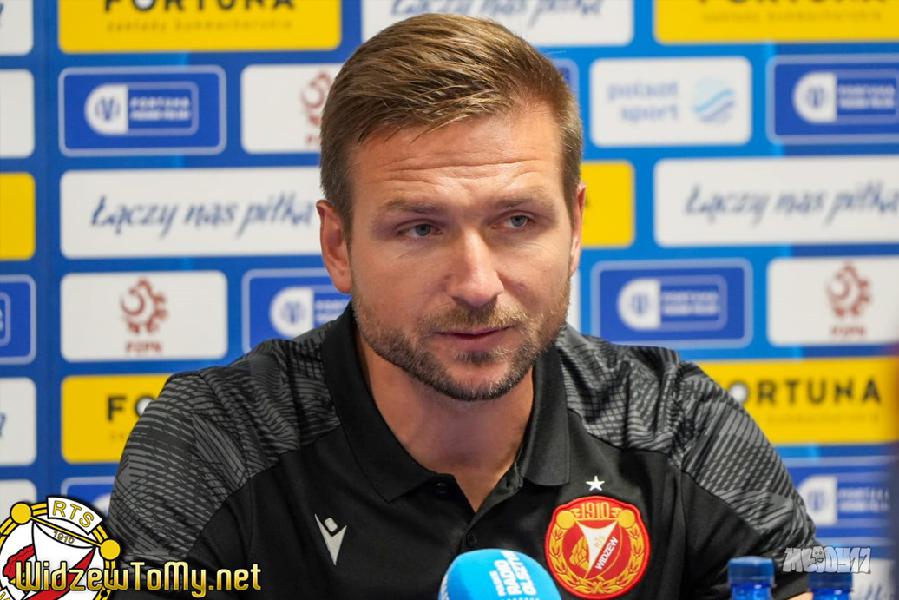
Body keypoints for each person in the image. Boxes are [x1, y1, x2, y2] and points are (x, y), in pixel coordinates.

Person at [107, 14, 816, 599]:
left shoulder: (678, 428)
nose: (477, 285)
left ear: (574, 229)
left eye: (517, 222)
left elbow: (802, 581)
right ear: (338, 246)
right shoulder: (214, 442)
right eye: (420, 228)